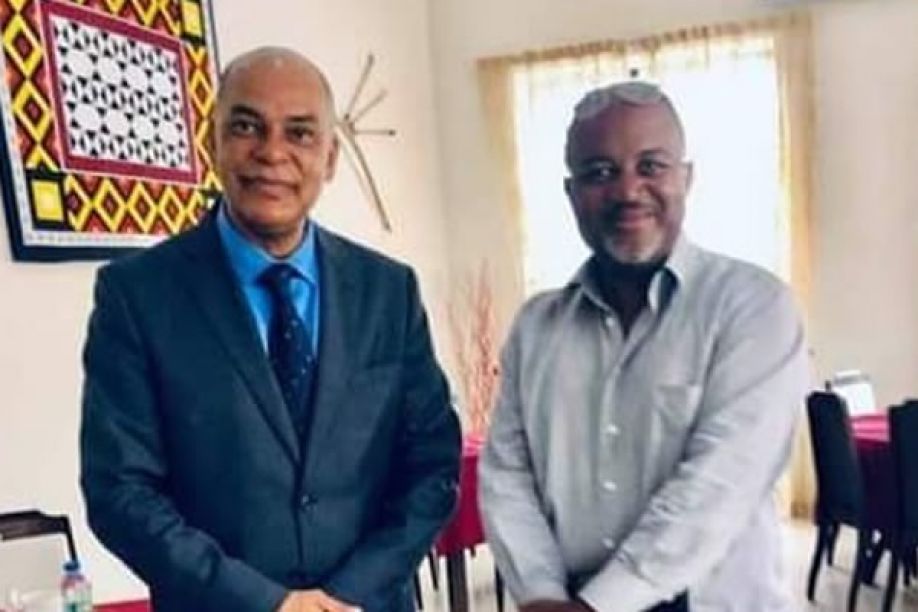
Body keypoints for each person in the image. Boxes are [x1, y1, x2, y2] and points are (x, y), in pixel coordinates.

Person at [80, 47, 461, 612]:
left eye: (300, 133)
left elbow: (432, 465)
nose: (272, 152)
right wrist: (266, 602)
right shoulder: (137, 295)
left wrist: (345, 596)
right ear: (212, 142)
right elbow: (120, 489)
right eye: (246, 127)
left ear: (330, 157)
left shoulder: (389, 291)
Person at [478, 81, 809, 612]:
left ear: (686, 177)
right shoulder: (536, 327)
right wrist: (540, 593)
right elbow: (507, 476)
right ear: (571, 193)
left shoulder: (754, 307)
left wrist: (596, 607)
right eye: (599, 172)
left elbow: (721, 482)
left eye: (651, 166)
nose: (628, 191)